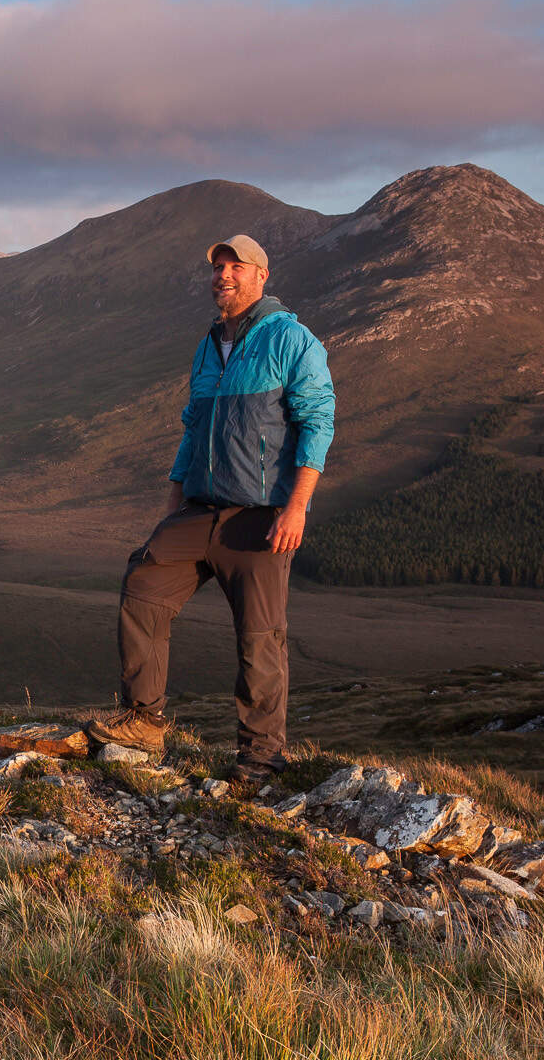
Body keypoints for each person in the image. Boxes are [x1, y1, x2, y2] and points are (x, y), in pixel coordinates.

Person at [86, 234, 335, 791]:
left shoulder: (291, 339)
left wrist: (297, 506)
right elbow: (195, 428)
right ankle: (142, 722)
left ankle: (261, 760)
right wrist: (173, 505)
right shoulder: (209, 346)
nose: (223, 275)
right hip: (198, 509)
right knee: (145, 582)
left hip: (260, 514)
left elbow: (318, 421)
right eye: (218, 267)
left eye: (235, 267)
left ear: (261, 275)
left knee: (259, 636)